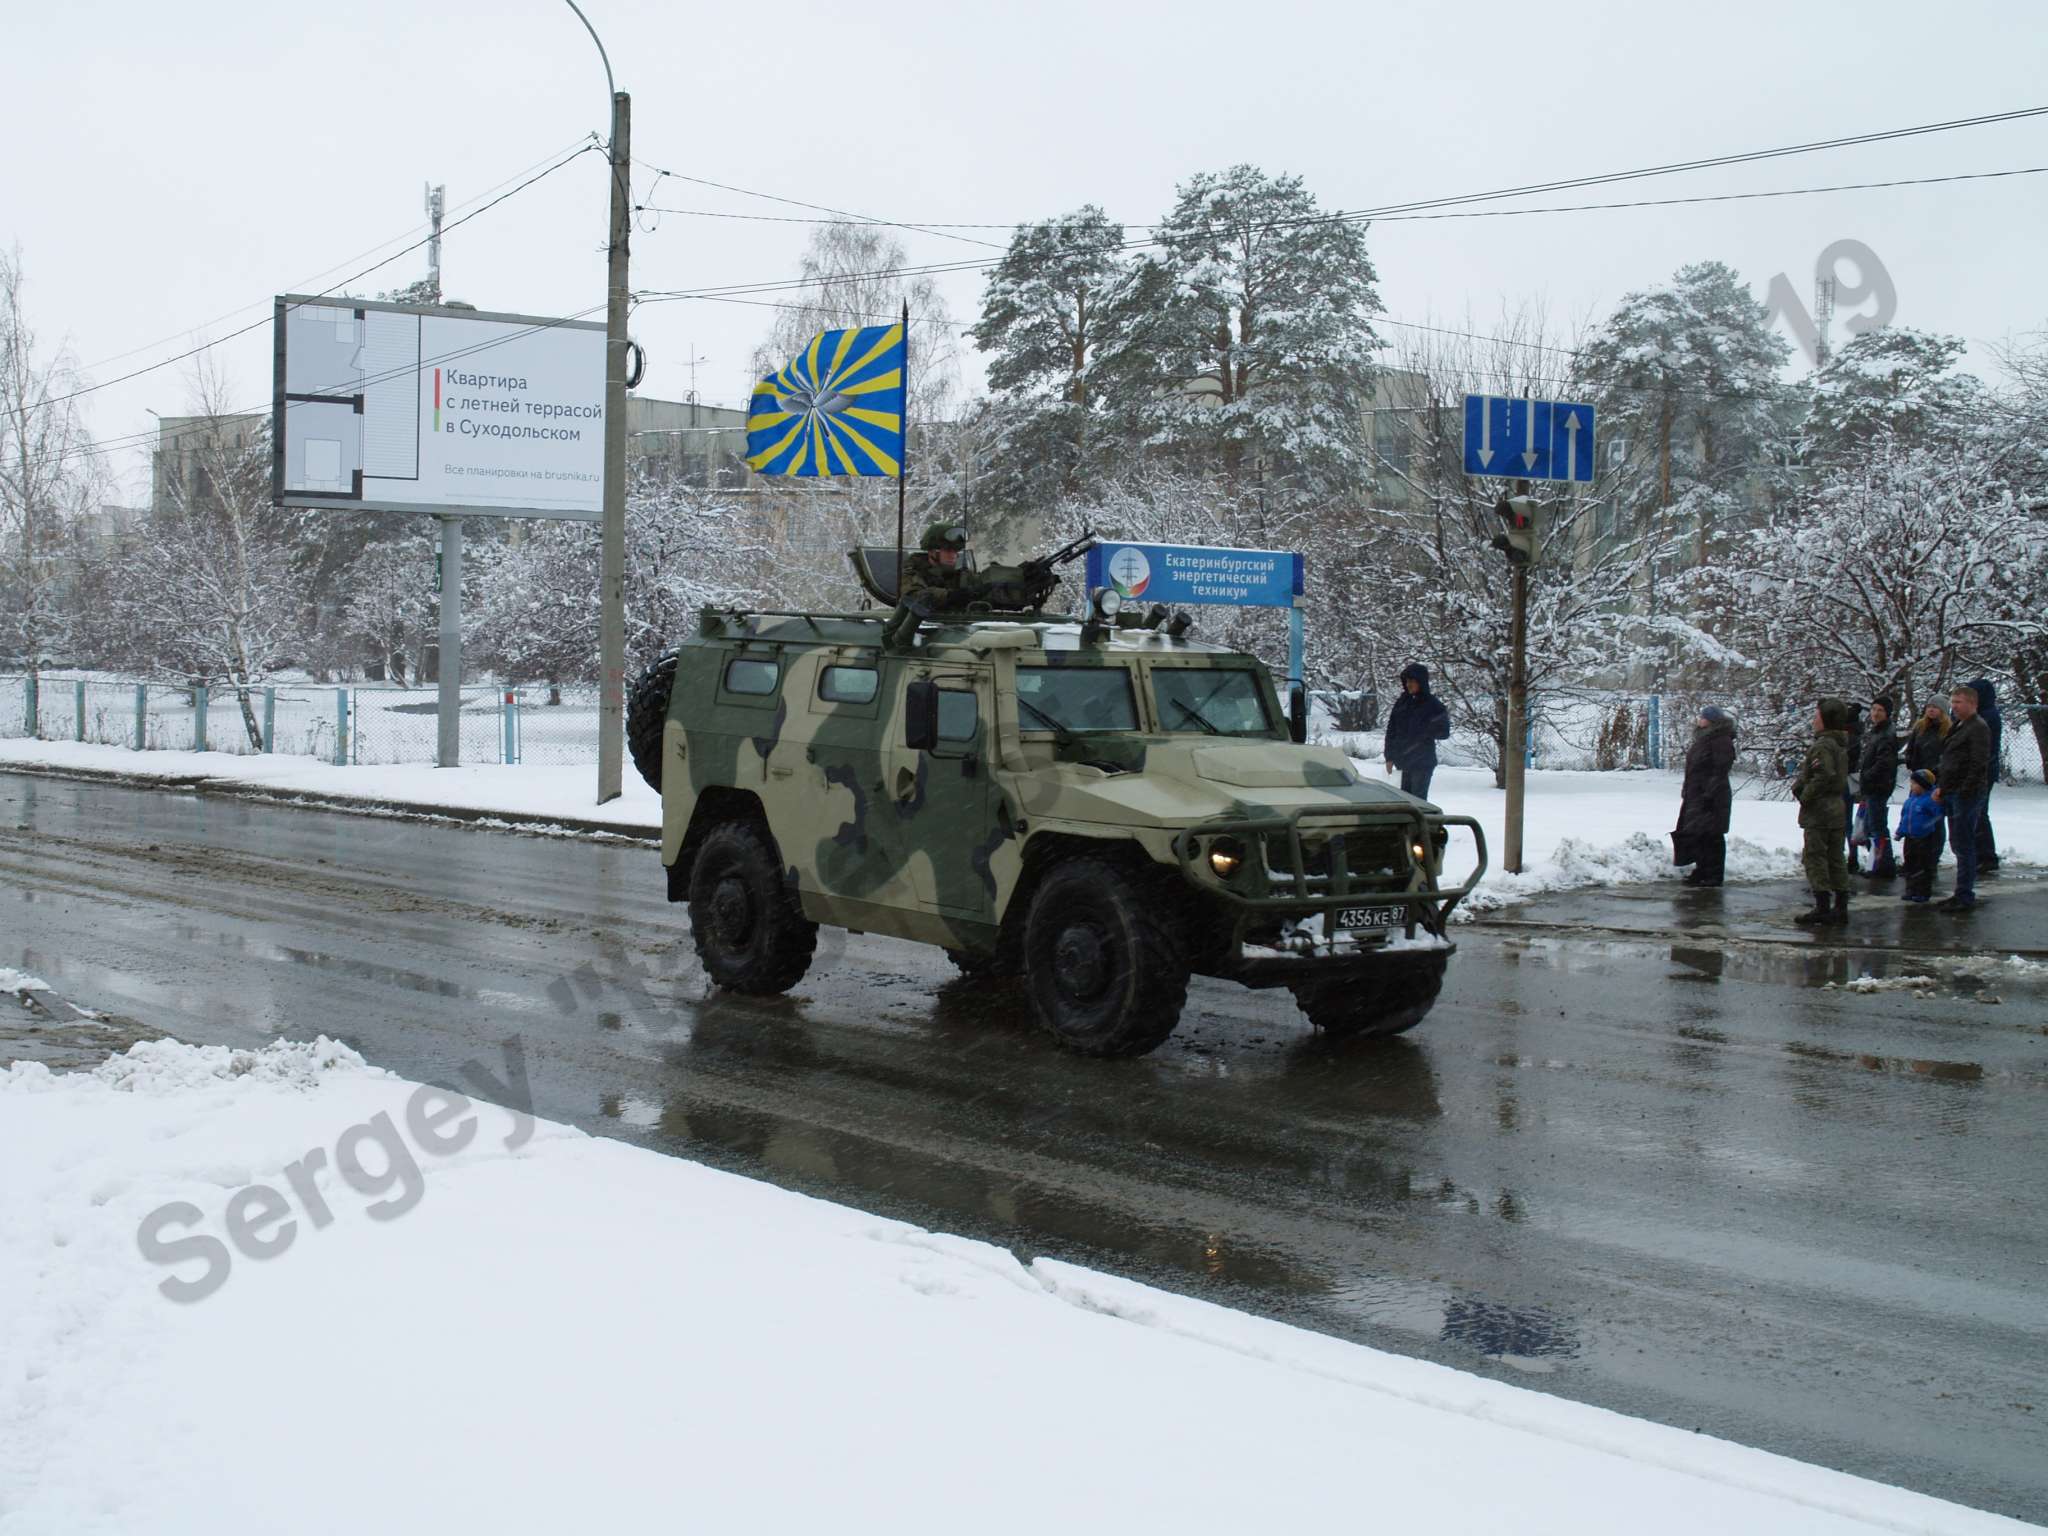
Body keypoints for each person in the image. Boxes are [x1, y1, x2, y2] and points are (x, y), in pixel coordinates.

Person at [1791, 697, 1853, 927]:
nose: (1814, 720)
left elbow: (1822, 775)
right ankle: (1840, 905)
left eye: (1817, 716)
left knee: (1815, 856)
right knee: (1836, 857)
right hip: (1836, 808)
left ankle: (1823, 905)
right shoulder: (1839, 744)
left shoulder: (1823, 745)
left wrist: (1805, 796)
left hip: (1821, 810)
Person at [1934, 683, 1992, 911]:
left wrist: (1963, 790)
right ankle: (1960, 891)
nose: (1954, 707)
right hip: (1952, 792)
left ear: (1972, 703)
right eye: (1953, 702)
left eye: (1959, 702)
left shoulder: (1978, 727)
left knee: (1965, 844)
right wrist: (1943, 787)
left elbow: (1978, 763)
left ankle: (1965, 894)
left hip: (1966, 795)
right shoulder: (1959, 725)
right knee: (1958, 843)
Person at [882, 522, 972, 649]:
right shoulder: (912, 570)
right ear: (932, 552)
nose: (953, 556)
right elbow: (914, 595)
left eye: (956, 551)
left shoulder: (959, 573)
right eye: (947, 551)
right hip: (916, 629)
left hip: (955, 626)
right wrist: (949, 595)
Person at [1675, 706, 1737, 887]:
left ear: (1711, 721)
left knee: (1712, 836)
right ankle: (1701, 869)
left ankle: (1714, 874)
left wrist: (1709, 793)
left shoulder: (1720, 741)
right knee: (1698, 833)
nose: (1699, 719)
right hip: (1697, 794)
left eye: (1703, 717)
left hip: (1712, 797)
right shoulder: (1704, 738)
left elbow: (1720, 770)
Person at [1382, 663, 1451, 800]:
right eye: (1407, 681)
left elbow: (1444, 732)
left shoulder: (1433, 705)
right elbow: (1391, 731)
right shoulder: (1402, 703)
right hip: (1403, 762)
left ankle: (1422, 821)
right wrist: (1389, 757)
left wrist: (1426, 731)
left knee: (1418, 803)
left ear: (1421, 682)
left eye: (1412, 681)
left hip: (1422, 763)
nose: (1409, 685)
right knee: (1404, 802)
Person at [1853, 695, 1900, 880]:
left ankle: (1883, 865)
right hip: (1873, 786)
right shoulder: (1877, 732)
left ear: (1887, 713)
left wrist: (1866, 776)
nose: (1875, 713)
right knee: (1874, 826)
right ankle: (1880, 863)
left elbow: (1884, 763)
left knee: (1877, 827)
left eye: (1880, 710)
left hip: (1878, 786)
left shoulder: (1886, 734)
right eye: (1873, 709)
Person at [1969, 677, 2003, 874]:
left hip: (1983, 772)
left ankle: (1986, 855)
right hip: (1983, 770)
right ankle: (1982, 853)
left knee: (1979, 812)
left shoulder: (1987, 716)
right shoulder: (1984, 714)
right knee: (1978, 812)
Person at [1896, 769, 1944, 904]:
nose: (1911, 786)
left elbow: (1938, 814)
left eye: (1914, 784)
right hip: (1910, 838)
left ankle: (1923, 891)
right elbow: (1904, 817)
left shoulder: (1929, 801)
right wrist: (1900, 831)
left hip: (1925, 838)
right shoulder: (1909, 801)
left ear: (1923, 785)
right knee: (1910, 864)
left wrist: (1929, 827)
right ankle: (1911, 889)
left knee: (1923, 865)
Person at [1840, 701, 1864, 868]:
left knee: (1844, 822)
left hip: (1845, 780)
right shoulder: (1856, 736)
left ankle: (1850, 856)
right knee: (1847, 820)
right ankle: (1852, 855)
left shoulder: (1848, 738)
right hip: (1851, 780)